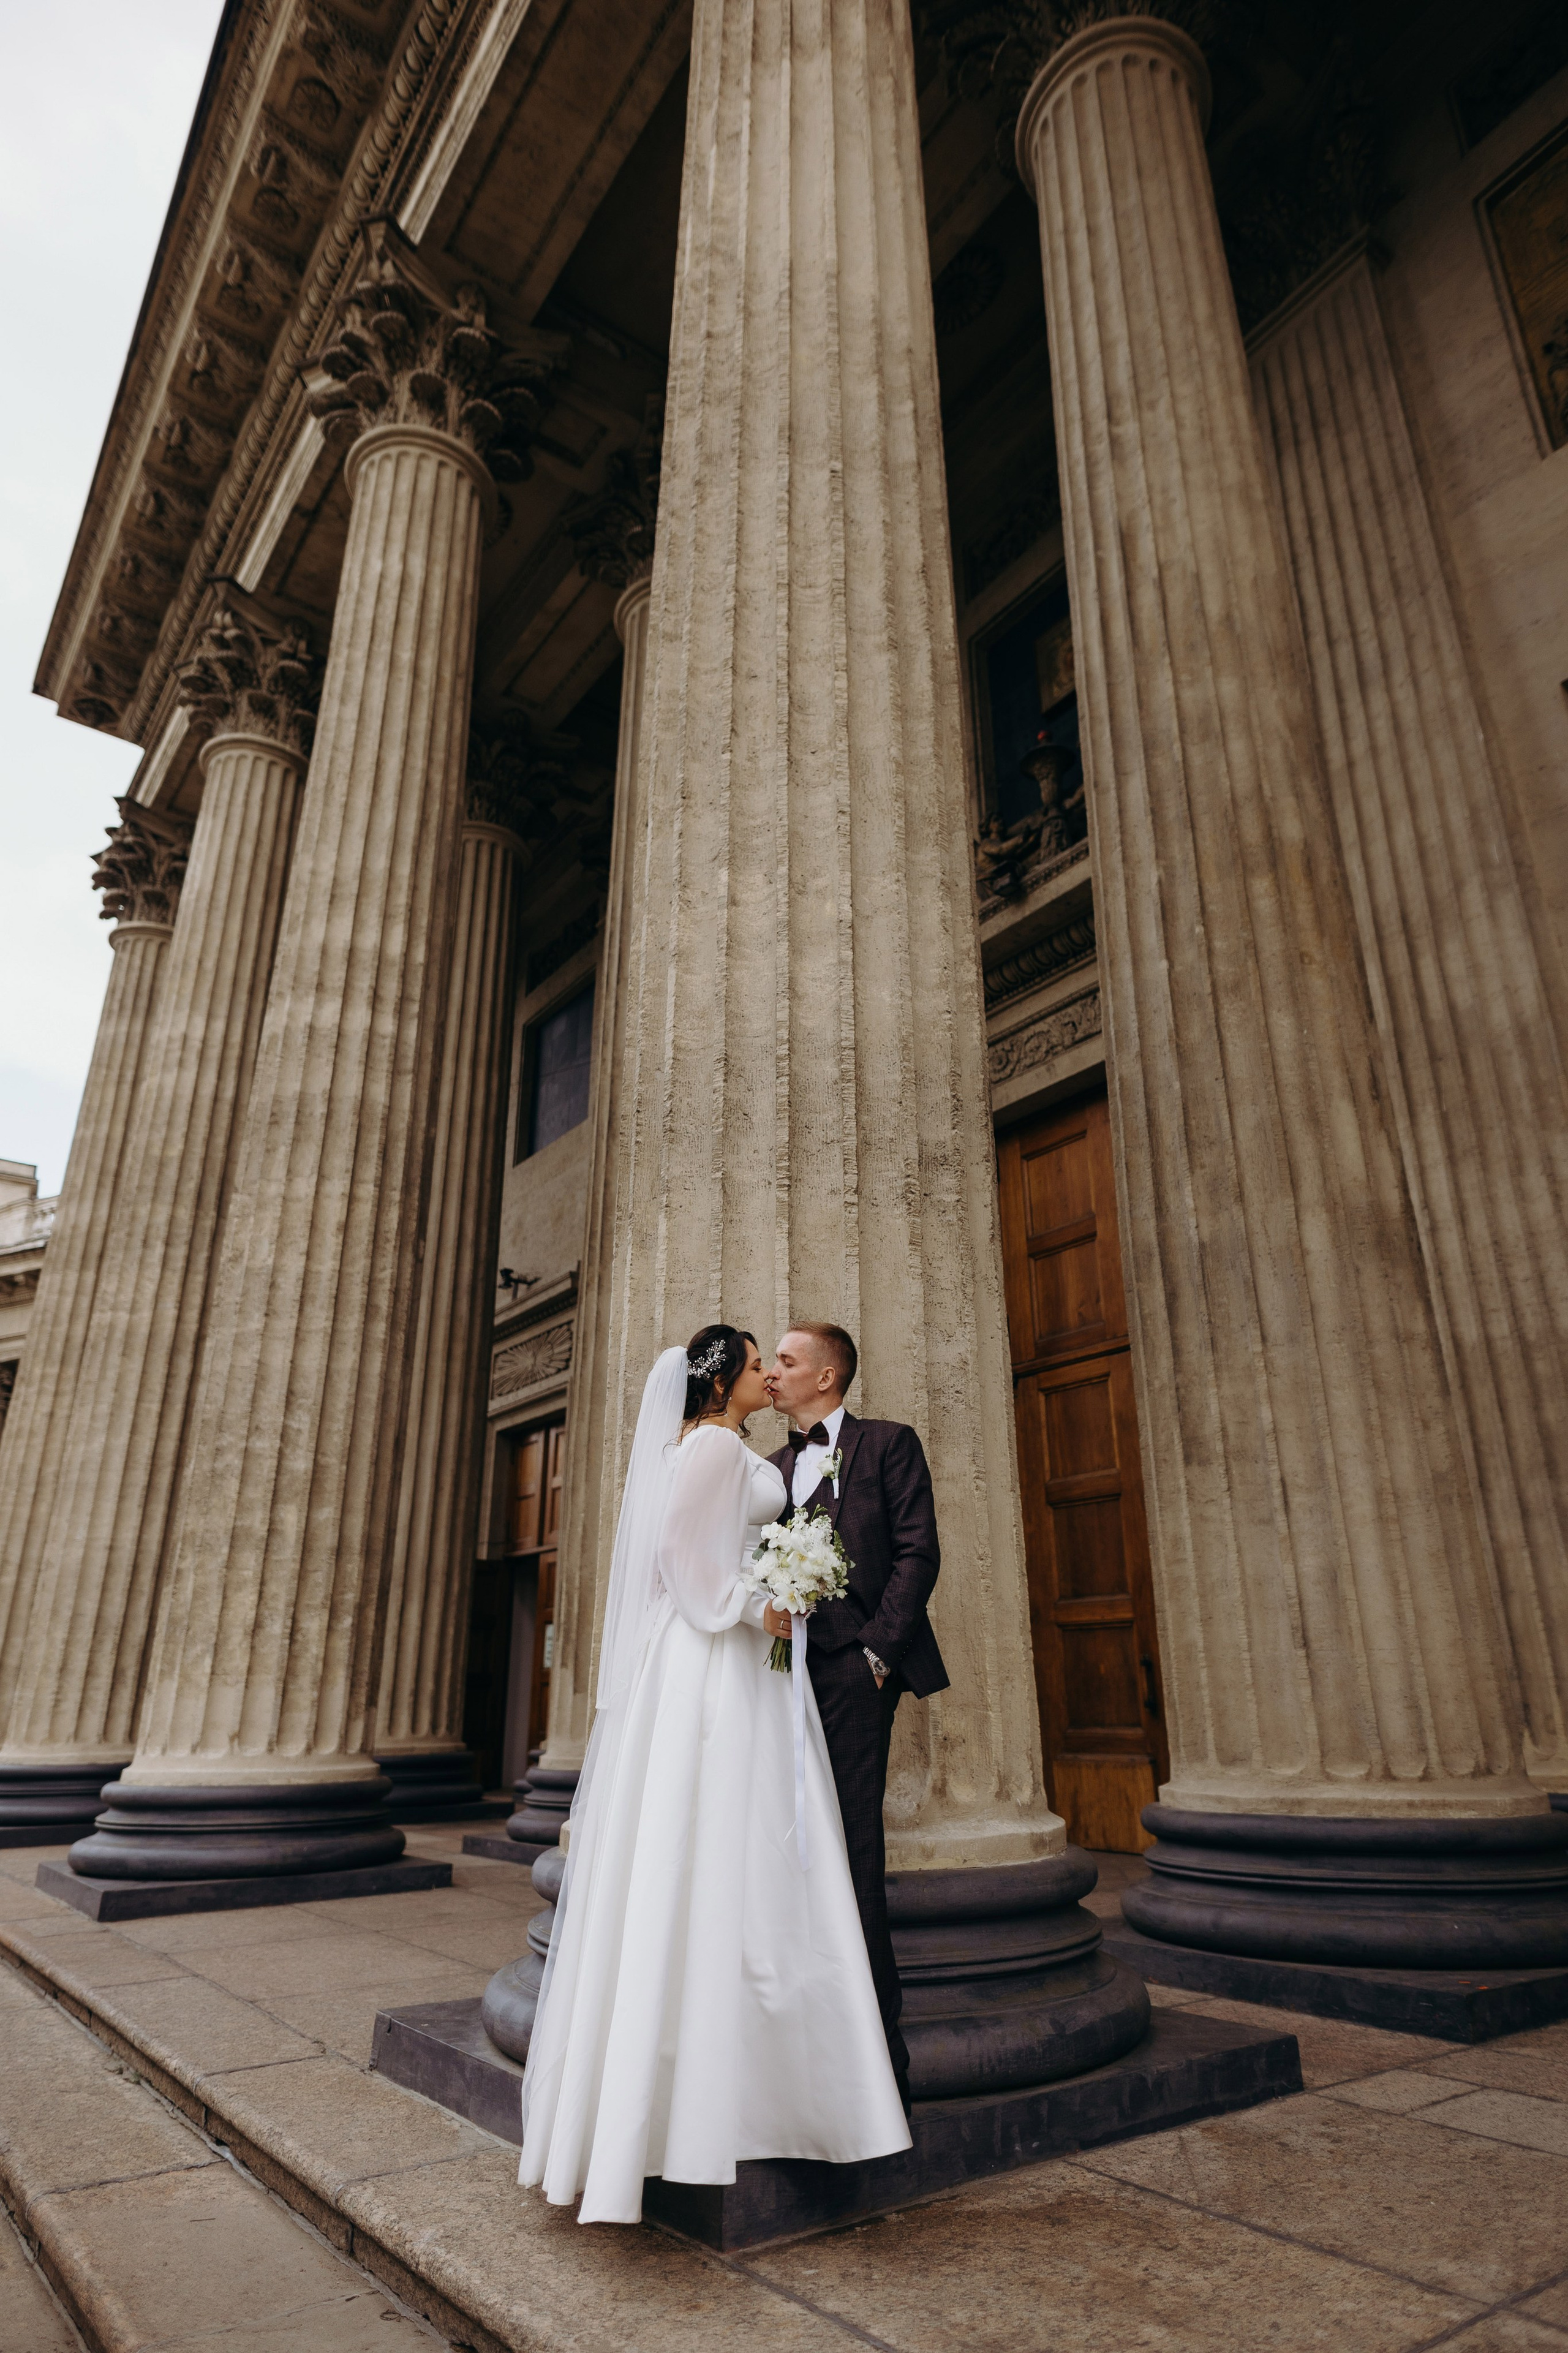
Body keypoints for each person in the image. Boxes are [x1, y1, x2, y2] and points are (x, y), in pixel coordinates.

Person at [518, 1326, 911, 2225]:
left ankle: (775, 2079)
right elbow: (684, 1565)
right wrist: (756, 1605)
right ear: (723, 1377)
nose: (767, 1371)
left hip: (749, 1670)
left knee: (761, 1852)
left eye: (781, 1359)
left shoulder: (739, 1447)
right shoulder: (707, 1449)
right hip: (712, 1663)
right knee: (700, 1845)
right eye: (753, 1359)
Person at [766, 1323, 948, 2112]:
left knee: (854, 1848)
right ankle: (799, 2046)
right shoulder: (772, 1469)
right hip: (778, 1682)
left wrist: (877, 1655)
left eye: (787, 1360)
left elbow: (918, 1553)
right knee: (786, 1853)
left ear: (829, 1375)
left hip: (854, 1675)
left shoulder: (888, 1445)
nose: (774, 1374)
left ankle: (880, 2058)